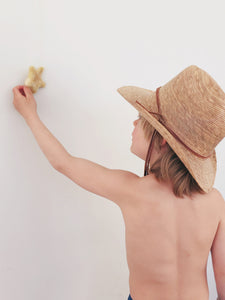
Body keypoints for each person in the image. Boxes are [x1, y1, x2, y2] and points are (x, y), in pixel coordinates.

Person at [12, 65, 225, 300]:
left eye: (141, 119)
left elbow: (64, 162)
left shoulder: (131, 190)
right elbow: (223, 279)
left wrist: (30, 115)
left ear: (163, 140)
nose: (133, 125)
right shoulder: (215, 201)